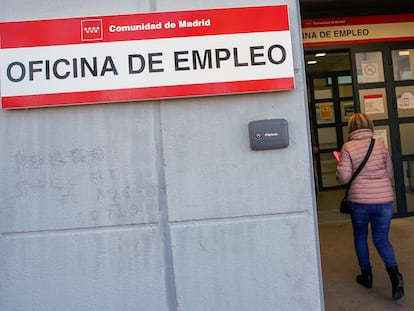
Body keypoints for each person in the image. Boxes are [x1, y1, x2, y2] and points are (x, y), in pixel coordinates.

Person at [336, 113, 404, 300]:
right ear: (369, 126)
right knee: (382, 239)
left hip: (360, 201)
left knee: (360, 236)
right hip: (384, 201)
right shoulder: (380, 144)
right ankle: (395, 275)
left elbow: (344, 177)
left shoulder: (348, 147)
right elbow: (389, 173)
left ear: (350, 128)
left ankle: (366, 275)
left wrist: (338, 170)